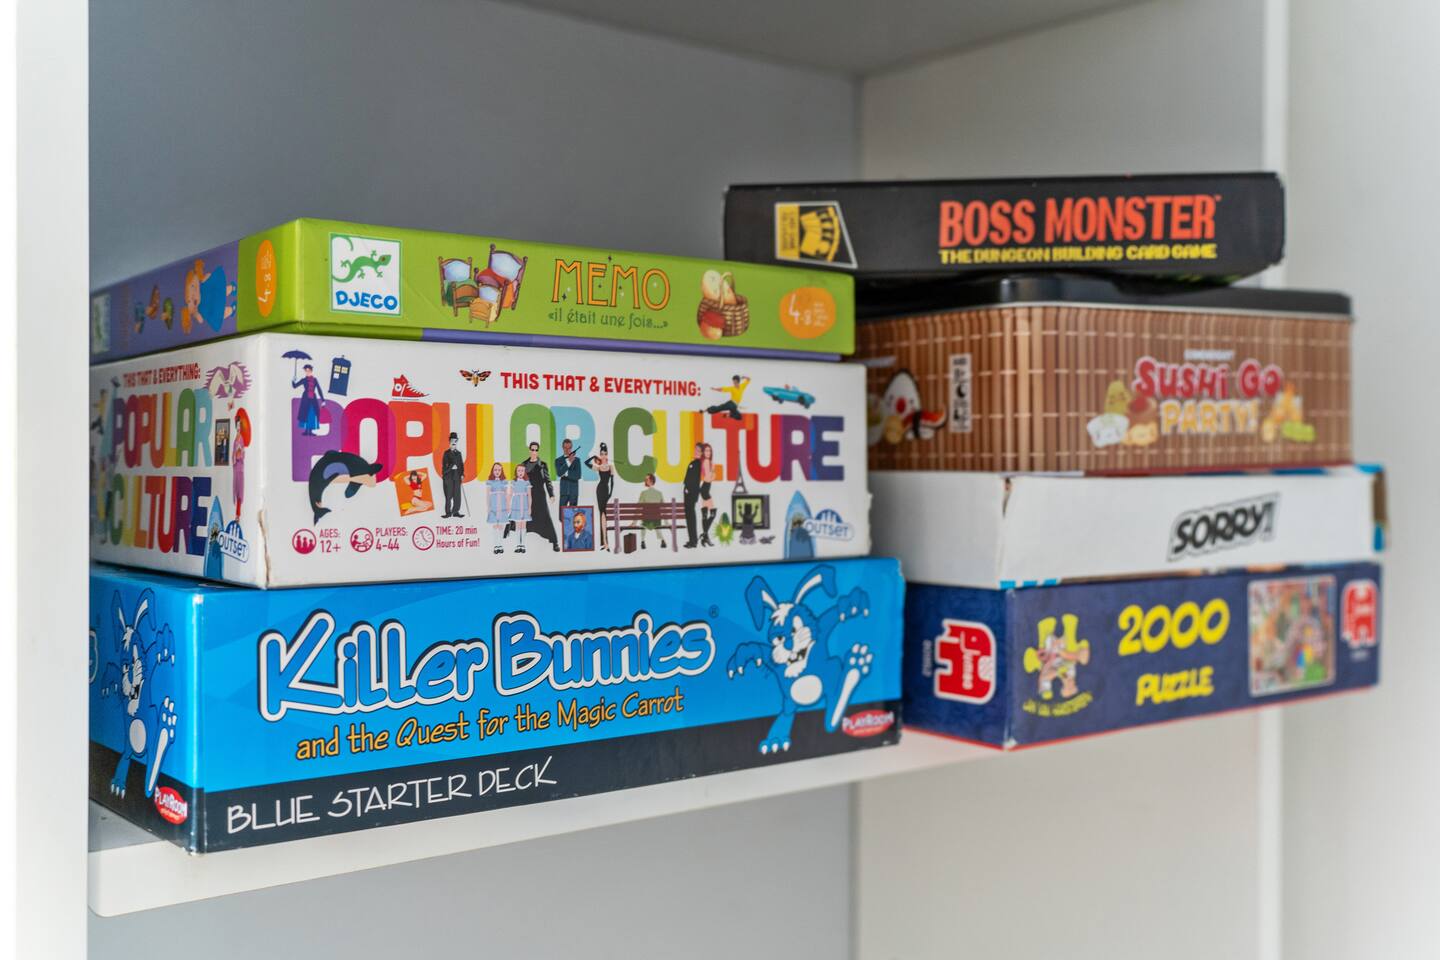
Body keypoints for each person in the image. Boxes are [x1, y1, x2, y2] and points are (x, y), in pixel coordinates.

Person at [505, 441, 557, 551]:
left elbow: (547, 480)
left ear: (538, 451)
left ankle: (554, 542)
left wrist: (551, 494)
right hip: (525, 496)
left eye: (536, 450)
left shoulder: (542, 465)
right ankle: (509, 533)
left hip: (539, 496)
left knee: (545, 517)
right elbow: (518, 479)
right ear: (529, 450)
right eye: (532, 449)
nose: (534, 451)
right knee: (518, 516)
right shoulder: (524, 464)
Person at [585, 441, 614, 550]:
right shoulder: (599, 467)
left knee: (604, 514)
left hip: (606, 490)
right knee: (602, 513)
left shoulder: (611, 466)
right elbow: (586, 463)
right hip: (599, 490)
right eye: (601, 454)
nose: (603, 455)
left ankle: (605, 542)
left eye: (605, 453)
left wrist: (610, 493)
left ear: (607, 454)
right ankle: (605, 542)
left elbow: (612, 482)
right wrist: (593, 457)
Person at [484, 462, 510, 554]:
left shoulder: (504, 482)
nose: (497, 471)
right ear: (492, 471)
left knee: (501, 526)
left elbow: (506, 495)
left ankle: (500, 545)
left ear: (501, 471)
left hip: (502, 506)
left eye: (499, 470)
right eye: (495, 470)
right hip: (494, 506)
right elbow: (487, 495)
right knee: (495, 526)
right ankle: (496, 545)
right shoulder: (490, 482)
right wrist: (488, 507)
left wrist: (508, 506)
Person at [682, 441, 703, 548]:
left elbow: (694, 480)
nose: (695, 452)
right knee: (689, 517)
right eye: (695, 449)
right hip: (689, 493)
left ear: (702, 453)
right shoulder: (694, 463)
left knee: (691, 517)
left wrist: (688, 489)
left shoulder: (697, 464)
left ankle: (693, 541)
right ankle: (692, 540)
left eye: (698, 450)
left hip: (691, 493)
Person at [293, 363, 324, 435]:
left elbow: (319, 389)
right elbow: (295, 386)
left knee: (312, 414)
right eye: (306, 371)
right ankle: (306, 431)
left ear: (311, 371)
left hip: (313, 399)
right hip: (305, 399)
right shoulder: (303, 380)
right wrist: (293, 380)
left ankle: (310, 431)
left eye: (309, 370)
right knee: (305, 414)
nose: (307, 372)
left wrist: (323, 400)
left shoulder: (315, 380)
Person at [637, 473, 665, 550]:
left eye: (646, 479)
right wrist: (667, 522)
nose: (645, 481)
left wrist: (634, 522)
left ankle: (642, 541)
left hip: (646, 520)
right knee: (656, 523)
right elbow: (664, 508)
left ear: (651, 481)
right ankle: (662, 540)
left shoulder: (643, 493)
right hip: (656, 519)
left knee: (643, 524)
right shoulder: (659, 493)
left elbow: (638, 507)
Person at [508, 463, 532, 553]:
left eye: (522, 470)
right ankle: (518, 544)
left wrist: (529, 508)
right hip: (516, 505)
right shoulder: (513, 482)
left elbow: (529, 496)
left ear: (524, 472)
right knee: (518, 525)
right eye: (519, 470)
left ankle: (523, 545)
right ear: (516, 472)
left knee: (523, 525)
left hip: (524, 505)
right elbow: (510, 494)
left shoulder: (527, 483)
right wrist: (508, 506)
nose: (520, 472)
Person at [442, 432, 465, 518]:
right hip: (448, 478)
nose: (454, 442)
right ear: (449, 441)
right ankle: (448, 513)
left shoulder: (459, 453)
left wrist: (462, 474)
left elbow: (461, 465)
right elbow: (444, 467)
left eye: (455, 441)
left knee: (457, 495)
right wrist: (452, 466)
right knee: (448, 496)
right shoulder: (446, 453)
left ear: (457, 441)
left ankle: (455, 512)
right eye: (452, 440)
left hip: (457, 477)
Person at [699, 442, 717, 546]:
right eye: (706, 450)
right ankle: (705, 535)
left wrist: (712, 474)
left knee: (705, 514)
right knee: (713, 513)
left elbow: (710, 476)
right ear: (703, 452)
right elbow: (708, 478)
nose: (708, 452)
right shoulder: (707, 462)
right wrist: (713, 472)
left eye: (709, 450)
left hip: (704, 489)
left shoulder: (707, 462)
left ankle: (705, 537)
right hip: (705, 489)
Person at [555, 438, 582, 507]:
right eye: (565, 448)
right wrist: (569, 461)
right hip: (564, 491)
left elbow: (578, 476)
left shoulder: (577, 460)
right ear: (562, 447)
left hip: (574, 492)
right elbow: (559, 473)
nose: (567, 450)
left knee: (574, 513)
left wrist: (566, 473)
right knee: (562, 512)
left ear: (572, 448)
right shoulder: (558, 460)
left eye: (569, 448)